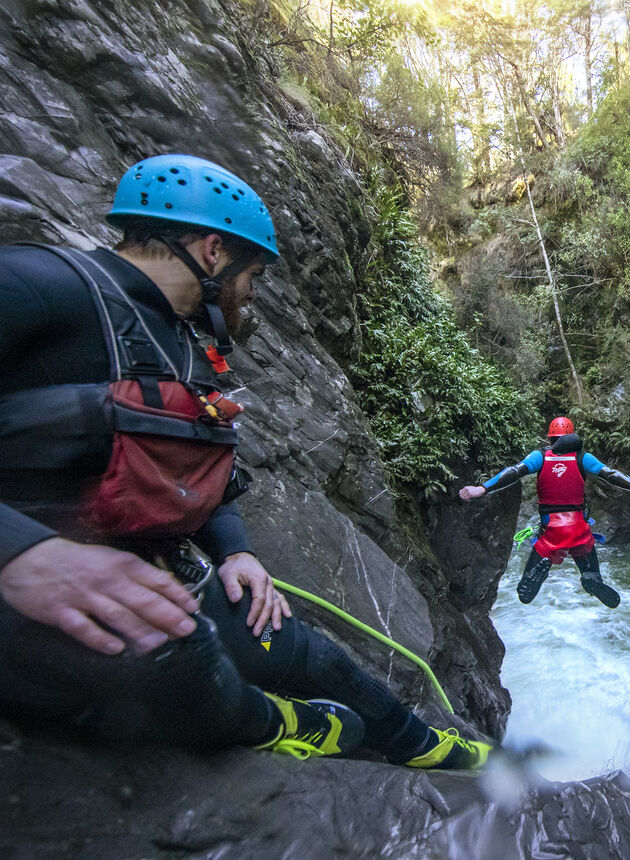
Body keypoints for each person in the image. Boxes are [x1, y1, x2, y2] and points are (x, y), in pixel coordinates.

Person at [0, 153, 489, 769]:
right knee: (180, 658)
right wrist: (24, 552)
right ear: (212, 253)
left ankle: (431, 750)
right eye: (250, 272)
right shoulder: (39, 285)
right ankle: (275, 722)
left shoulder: (181, 344)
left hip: (138, 576)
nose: (251, 291)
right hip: (30, 596)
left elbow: (194, 473)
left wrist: (236, 550)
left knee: (315, 655)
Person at [459, 417, 630, 608]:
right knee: (592, 573)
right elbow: (611, 475)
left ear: (550, 438)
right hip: (579, 529)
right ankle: (590, 579)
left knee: (525, 593)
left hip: (550, 529)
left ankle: (540, 568)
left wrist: (482, 488)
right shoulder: (582, 458)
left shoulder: (540, 456)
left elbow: (514, 472)